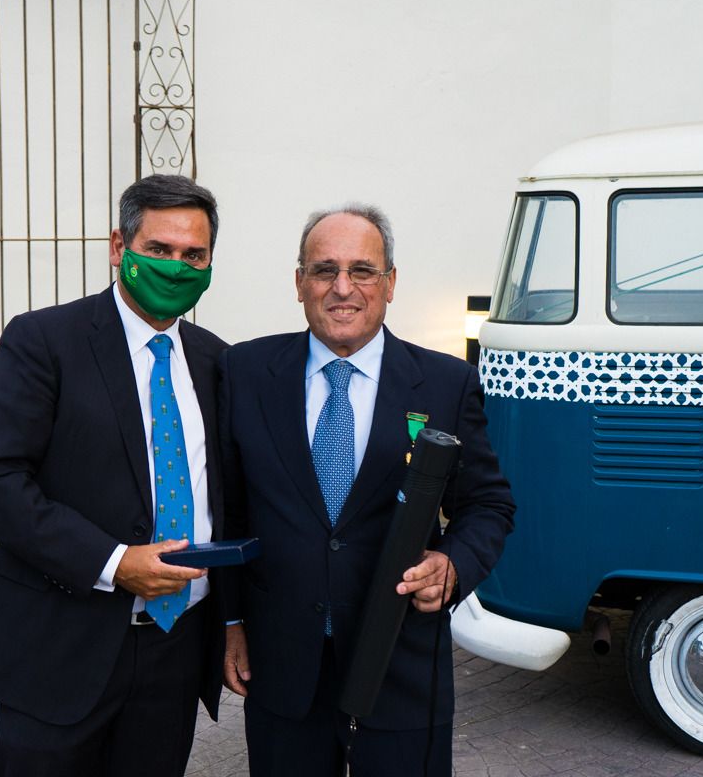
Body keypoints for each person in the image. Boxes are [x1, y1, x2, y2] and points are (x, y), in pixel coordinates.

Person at [219, 204, 515, 776]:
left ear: (391, 283)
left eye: (362, 270)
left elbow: (488, 505)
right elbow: (230, 511)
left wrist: (453, 566)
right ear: (300, 283)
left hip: (402, 662)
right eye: (324, 270)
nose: (342, 288)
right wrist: (230, 622)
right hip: (282, 668)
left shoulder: (447, 383)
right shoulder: (244, 372)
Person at [0, 174, 228, 777]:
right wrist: (113, 562)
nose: (176, 267)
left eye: (194, 255)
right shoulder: (44, 340)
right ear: (118, 247)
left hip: (175, 651)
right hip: (60, 648)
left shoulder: (217, 359)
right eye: (158, 249)